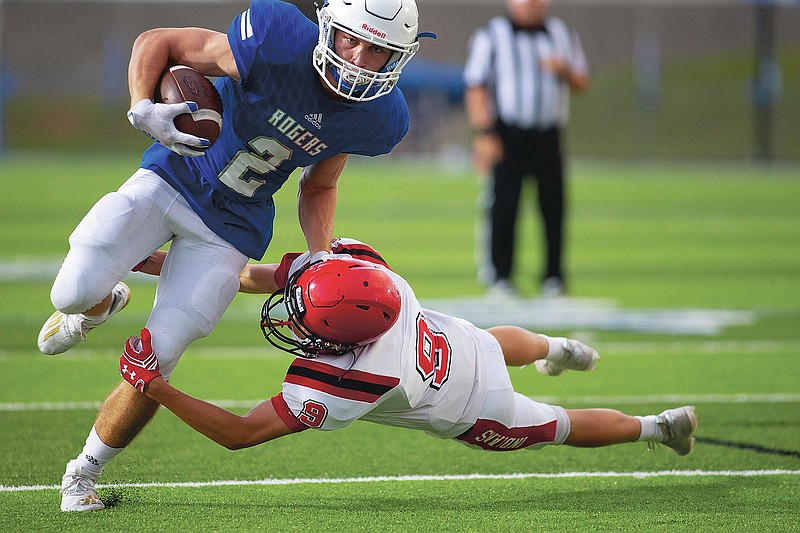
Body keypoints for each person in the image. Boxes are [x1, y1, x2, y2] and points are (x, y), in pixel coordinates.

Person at [44, 0, 434, 512]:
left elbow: (320, 185)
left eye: (378, 50)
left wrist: (320, 254)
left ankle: (83, 472)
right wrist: (142, 105)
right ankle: (97, 305)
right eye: (351, 40)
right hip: (174, 175)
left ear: (398, 58)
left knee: (161, 353)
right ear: (327, 28)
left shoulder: (379, 118)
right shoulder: (276, 40)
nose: (359, 59)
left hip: (233, 225)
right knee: (70, 291)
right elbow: (156, 42)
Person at [114, 238, 697, 504]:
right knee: (491, 343)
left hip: (478, 412)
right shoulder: (366, 272)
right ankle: (558, 347)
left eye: (305, 318)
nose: (291, 318)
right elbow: (274, 277)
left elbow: (240, 434)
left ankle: (659, 427)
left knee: (558, 425)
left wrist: (154, 384)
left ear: (342, 339)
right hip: (460, 346)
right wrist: (166, 264)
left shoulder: (347, 380)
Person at [463, 0, 590, 298]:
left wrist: (565, 70)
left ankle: (554, 276)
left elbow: (583, 80)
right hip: (508, 133)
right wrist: (485, 132)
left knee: (554, 206)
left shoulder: (562, 33)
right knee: (504, 205)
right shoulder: (492, 34)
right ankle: (501, 277)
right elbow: (476, 85)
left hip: (548, 133)